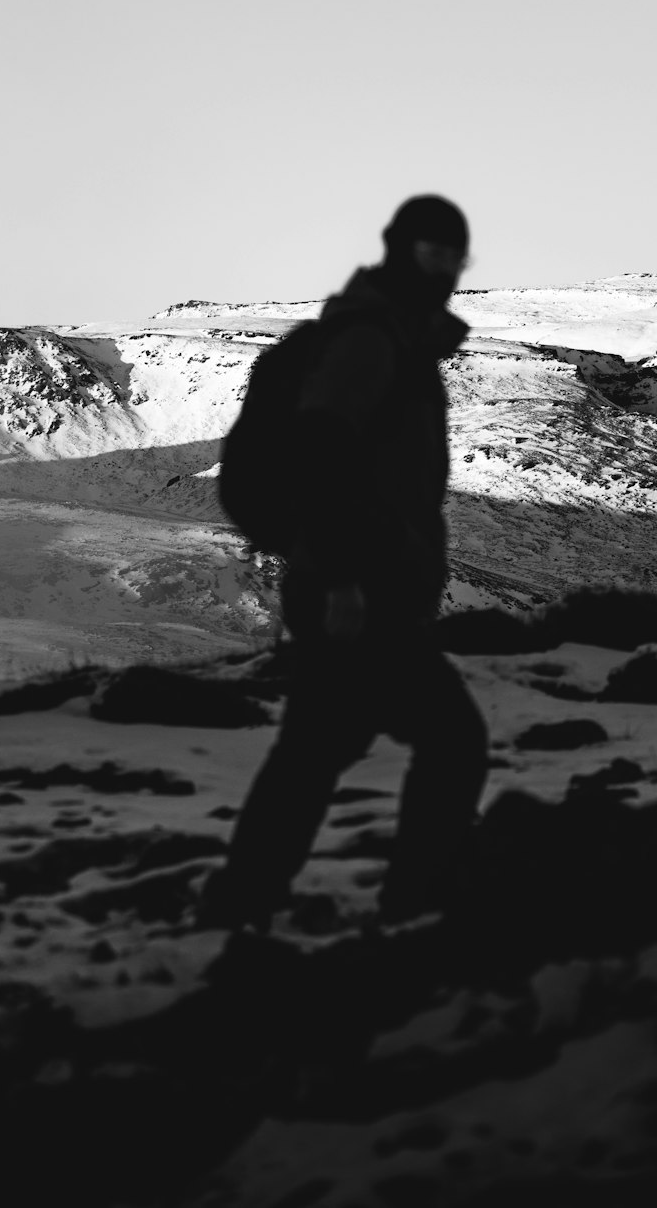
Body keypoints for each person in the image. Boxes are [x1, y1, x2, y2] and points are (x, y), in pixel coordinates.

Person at [199, 195, 489, 930]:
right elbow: (320, 452)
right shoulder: (370, 341)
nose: (448, 269)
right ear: (400, 250)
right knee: (454, 742)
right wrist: (341, 579)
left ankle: (241, 904)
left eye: (457, 255)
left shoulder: (396, 337)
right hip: (358, 590)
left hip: (357, 583)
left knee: (312, 755)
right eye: (434, 253)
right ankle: (418, 903)